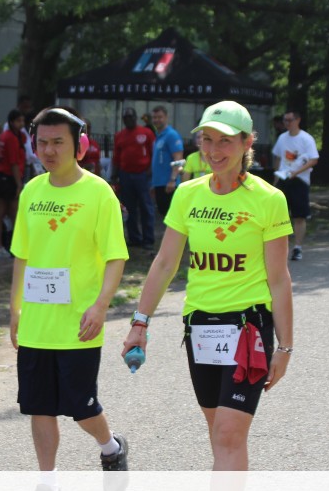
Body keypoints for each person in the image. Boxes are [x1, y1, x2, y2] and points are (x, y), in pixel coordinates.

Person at [122, 101, 293, 471]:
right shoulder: (188, 194)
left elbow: (279, 279)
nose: (214, 150)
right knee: (219, 433)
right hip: (200, 327)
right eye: (207, 140)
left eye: (225, 141)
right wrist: (140, 322)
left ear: (247, 142)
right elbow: (165, 263)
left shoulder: (268, 199)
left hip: (248, 328)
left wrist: (285, 347)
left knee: (228, 435)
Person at [9, 106, 130, 475]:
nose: (49, 150)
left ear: (79, 145)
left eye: (58, 142)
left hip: (79, 323)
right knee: (39, 407)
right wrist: (14, 309)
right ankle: (48, 481)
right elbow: (21, 256)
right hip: (36, 323)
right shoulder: (31, 191)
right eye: (42, 142)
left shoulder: (98, 193)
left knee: (81, 408)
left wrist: (101, 306)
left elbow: (116, 256)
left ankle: (110, 446)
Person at [271, 111, 319, 261]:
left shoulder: (306, 138)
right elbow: (278, 158)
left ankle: (297, 247)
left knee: (299, 215)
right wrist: (276, 178)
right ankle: (278, 247)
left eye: (290, 120)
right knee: (278, 215)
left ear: (298, 120)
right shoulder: (282, 138)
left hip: (300, 180)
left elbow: (313, 160)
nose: (287, 123)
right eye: (285, 120)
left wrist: (296, 172)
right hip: (283, 178)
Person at [112, 107, 156, 248]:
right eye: (126, 118)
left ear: (135, 118)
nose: (128, 120)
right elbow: (116, 157)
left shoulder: (146, 133)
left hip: (143, 175)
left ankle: (148, 239)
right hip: (125, 175)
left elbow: (154, 153)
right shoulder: (119, 135)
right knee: (129, 208)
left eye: (131, 117)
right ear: (123, 120)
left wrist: (150, 170)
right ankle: (134, 238)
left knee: (146, 206)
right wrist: (114, 175)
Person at [0, 109, 27, 256]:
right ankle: (9, 245)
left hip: (3, 177)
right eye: (19, 121)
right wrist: (19, 183)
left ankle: (0, 244)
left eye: (22, 121)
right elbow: (13, 163)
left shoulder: (6, 136)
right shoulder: (11, 138)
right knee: (12, 212)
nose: (21, 124)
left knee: (2, 212)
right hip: (9, 178)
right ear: (12, 122)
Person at [150, 105, 185, 218]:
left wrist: (172, 180)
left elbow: (178, 158)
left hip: (169, 185)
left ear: (166, 117)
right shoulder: (158, 136)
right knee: (163, 215)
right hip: (159, 184)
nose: (157, 120)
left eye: (160, 117)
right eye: (154, 117)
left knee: (171, 218)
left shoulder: (171, 135)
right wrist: (154, 184)